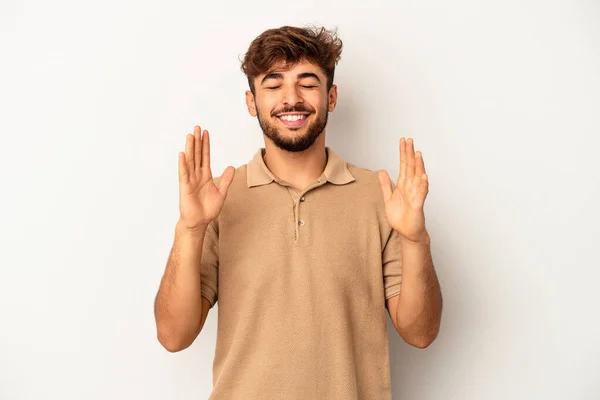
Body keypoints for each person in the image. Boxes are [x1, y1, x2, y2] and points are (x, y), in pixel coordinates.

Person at [154, 25, 442, 400]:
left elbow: (420, 333)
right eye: (273, 85)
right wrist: (190, 229)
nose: (291, 98)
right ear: (251, 102)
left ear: (331, 96)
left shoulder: (381, 196)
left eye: (307, 83)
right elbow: (174, 337)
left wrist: (415, 239)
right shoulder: (218, 200)